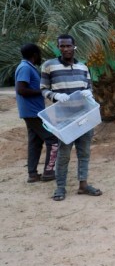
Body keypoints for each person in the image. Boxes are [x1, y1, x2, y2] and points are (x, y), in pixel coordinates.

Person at [40, 34, 102, 201]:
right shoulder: (49, 66)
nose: (65, 49)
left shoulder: (83, 67)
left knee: (84, 153)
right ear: (58, 47)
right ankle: (60, 187)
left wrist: (89, 93)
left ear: (74, 47)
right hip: (63, 119)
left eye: (68, 46)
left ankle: (83, 185)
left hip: (84, 118)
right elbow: (43, 89)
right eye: (62, 46)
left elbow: (89, 88)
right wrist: (55, 96)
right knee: (64, 154)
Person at [15, 43, 59, 183]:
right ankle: (48, 172)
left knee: (35, 142)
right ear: (34, 55)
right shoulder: (25, 68)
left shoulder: (27, 67)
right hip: (33, 113)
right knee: (52, 140)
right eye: (39, 54)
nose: (40, 57)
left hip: (32, 112)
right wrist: (43, 91)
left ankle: (33, 174)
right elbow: (21, 89)